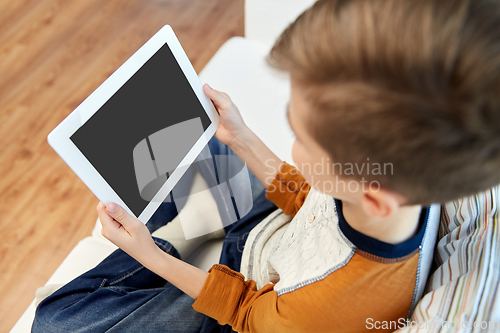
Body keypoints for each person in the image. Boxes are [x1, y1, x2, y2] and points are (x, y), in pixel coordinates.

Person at [32, 0, 500, 332]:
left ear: (373, 196)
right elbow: (313, 203)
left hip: (255, 292)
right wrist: (241, 135)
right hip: (274, 230)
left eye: (301, 136)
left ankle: (169, 243)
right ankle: (193, 220)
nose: (290, 140)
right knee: (201, 143)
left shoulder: (335, 306)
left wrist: (147, 254)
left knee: (56, 321)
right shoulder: (388, 189)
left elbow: (245, 311)